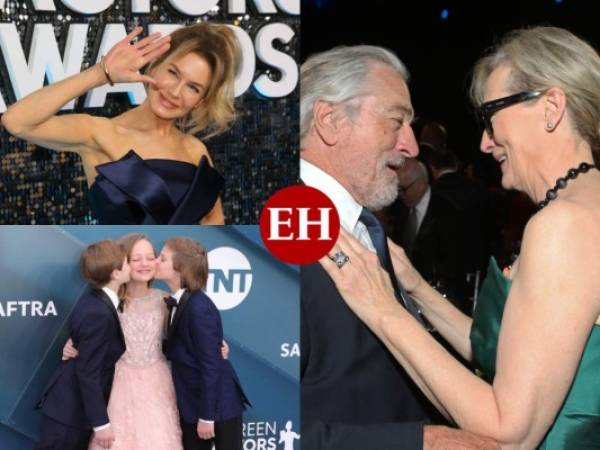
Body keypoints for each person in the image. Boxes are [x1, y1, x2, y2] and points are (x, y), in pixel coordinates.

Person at [319, 26, 600, 449]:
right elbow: (511, 352)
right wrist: (413, 285)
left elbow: (510, 432)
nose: (485, 144)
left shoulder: (564, 224)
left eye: (490, 118)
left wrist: (382, 309)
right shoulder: (585, 204)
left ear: (550, 107)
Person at [300, 44, 498, 450]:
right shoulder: (266, 230)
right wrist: (417, 441)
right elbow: (248, 426)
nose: (409, 146)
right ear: (329, 120)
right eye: (396, 121)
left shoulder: (368, 227)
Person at [1, 22, 240, 224]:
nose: (175, 92)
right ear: (155, 64)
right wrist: (100, 73)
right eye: (173, 73)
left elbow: (213, 225)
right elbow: (17, 122)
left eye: (193, 87)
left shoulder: (195, 150)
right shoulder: (100, 132)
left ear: (200, 101)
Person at [61, 234, 231, 450]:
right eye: (136, 259)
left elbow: (195, 333)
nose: (145, 264)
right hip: (119, 386)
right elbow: (89, 332)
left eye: (151, 257)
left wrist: (220, 345)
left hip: (159, 384)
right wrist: (71, 345)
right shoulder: (109, 303)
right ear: (122, 264)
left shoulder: (166, 300)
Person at [157, 237, 250, 450]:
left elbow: (211, 365)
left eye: (162, 258)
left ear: (179, 268)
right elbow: (180, 350)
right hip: (192, 404)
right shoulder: (178, 302)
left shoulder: (199, 308)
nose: (156, 262)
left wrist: (207, 416)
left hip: (217, 406)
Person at [37, 240, 130, 450]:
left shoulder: (94, 302)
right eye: (127, 263)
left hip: (69, 410)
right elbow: (88, 371)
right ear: (115, 274)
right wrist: (101, 423)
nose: (131, 266)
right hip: (69, 413)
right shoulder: (98, 312)